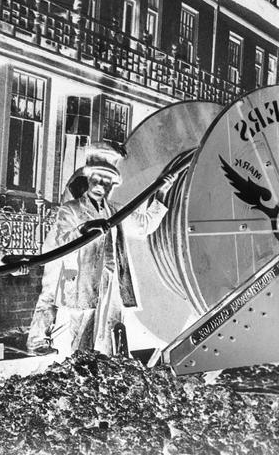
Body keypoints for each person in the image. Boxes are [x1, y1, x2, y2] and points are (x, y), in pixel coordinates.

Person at [26, 141, 174, 356]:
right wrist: (85, 228)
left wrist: (161, 193)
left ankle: (105, 374)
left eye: (106, 181)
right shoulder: (71, 208)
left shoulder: (115, 211)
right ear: (88, 179)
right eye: (97, 179)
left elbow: (144, 226)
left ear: (111, 185)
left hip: (112, 281)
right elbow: (61, 242)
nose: (100, 185)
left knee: (110, 335)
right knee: (81, 334)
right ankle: (50, 350)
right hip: (82, 278)